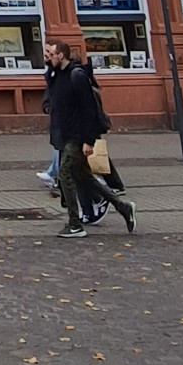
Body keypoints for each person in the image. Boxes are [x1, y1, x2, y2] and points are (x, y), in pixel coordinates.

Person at [42, 41, 132, 235]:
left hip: (78, 136)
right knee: (84, 177)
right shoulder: (56, 75)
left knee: (64, 174)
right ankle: (123, 207)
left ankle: (74, 224)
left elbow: (88, 110)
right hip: (65, 135)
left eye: (51, 54)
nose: (48, 57)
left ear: (62, 55)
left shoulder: (77, 75)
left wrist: (88, 141)